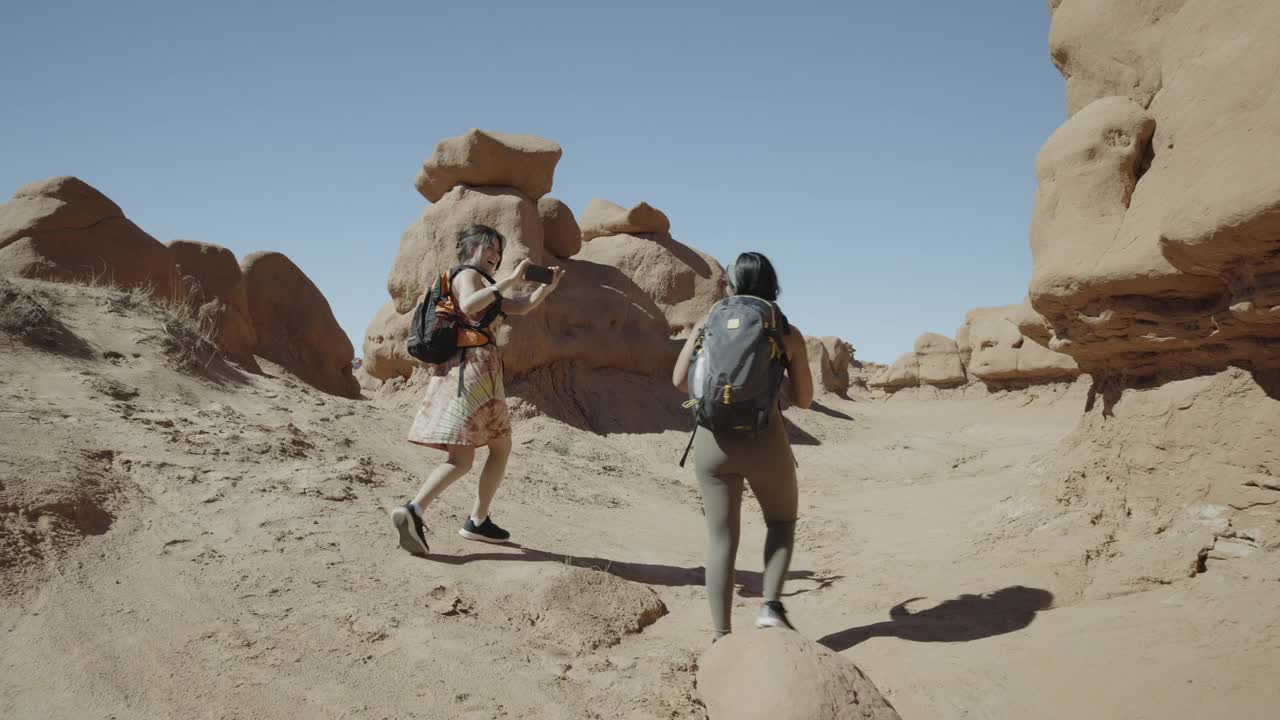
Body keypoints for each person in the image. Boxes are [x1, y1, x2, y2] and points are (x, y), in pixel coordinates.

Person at [392, 224, 564, 556]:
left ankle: (477, 520)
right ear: (473, 248)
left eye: (499, 252)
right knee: (463, 458)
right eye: (491, 249)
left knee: (499, 446)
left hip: (481, 372)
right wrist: (509, 281)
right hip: (470, 370)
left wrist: (547, 288)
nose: (496, 257)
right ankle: (418, 510)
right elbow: (470, 305)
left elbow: (522, 306)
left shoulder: (487, 285)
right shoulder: (467, 275)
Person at [671, 251, 813, 641]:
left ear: (731, 285)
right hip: (764, 438)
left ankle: (721, 634)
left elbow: (679, 381)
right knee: (781, 522)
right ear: (773, 287)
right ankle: (769, 607)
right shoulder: (785, 330)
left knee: (721, 538)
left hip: (710, 441)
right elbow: (803, 399)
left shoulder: (708, 321)